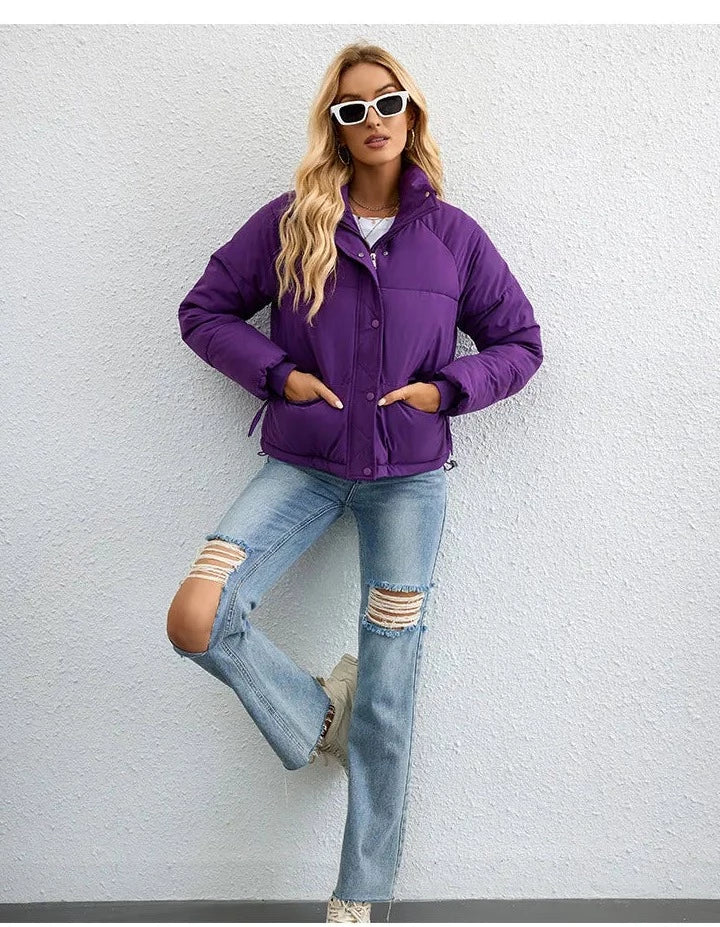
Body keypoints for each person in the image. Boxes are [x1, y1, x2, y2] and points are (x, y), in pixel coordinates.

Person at [166, 41, 543, 925]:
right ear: (333, 126)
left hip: (409, 482)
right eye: (352, 108)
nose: (373, 119)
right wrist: (280, 375)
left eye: (387, 101)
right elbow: (204, 310)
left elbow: (521, 343)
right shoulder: (290, 221)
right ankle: (313, 716)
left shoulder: (454, 237)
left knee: (388, 687)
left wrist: (447, 389)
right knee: (196, 616)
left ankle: (358, 895)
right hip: (302, 464)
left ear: (412, 112)